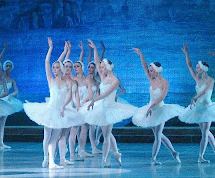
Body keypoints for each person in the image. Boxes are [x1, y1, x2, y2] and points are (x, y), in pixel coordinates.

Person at [23, 38, 82, 169]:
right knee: (47, 137)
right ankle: (46, 158)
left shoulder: (67, 82)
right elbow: (47, 62)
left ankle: (52, 162)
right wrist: (51, 48)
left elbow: (69, 96)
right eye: (53, 68)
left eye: (57, 68)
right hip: (49, 110)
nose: (54, 69)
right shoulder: (51, 79)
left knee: (55, 138)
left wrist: (63, 106)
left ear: (61, 69)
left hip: (60, 111)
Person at [81, 39, 137, 167]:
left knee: (106, 135)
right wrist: (95, 49)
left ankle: (105, 159)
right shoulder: (103, 77)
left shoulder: (115, 80)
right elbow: (96, 62)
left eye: (102, 67)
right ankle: (116, 153)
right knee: (107, 133)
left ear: (107, 67)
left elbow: (105, 94)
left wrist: (94, 100)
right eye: (100, 68)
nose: (100, 69)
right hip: (101, 107)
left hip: (110, 108)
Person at [178, 44, 215, 163]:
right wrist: (186, 54)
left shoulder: (210, 80)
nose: (196, 69)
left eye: (198, 68)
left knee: (205, 133)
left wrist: (194, 97)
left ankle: (200, 156)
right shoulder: (198, 79)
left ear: (203, 69)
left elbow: (204, 91)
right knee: (204, 131)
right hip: (198, 108)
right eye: (197, 68)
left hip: (207, 108)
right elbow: (189, 65)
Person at [131, 48, 183, 165]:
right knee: (158, 134)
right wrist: (141, 54)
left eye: (152, 71)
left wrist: (152, 107)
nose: (150, 73)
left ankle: (153, 159)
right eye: (150, 71)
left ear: (157, 71)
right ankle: (174, 153)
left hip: (159, 109)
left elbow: (161, 97)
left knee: (158, 135)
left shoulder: (165, 83)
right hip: (150, 109)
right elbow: (144, 67)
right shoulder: (151, 80)